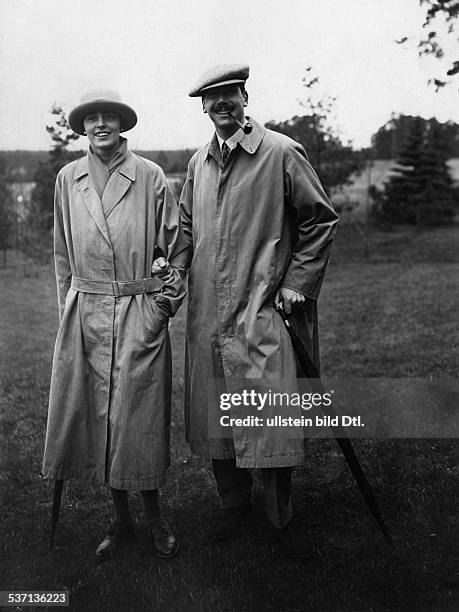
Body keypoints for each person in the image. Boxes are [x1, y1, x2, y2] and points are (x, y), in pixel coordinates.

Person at [179, 64, 339, 559]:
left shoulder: (281, 152)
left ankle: (276, 513)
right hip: (209, 311)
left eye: (230, 94)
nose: (222, 103)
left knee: (269, 414)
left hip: (262, 307)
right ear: (202, 107)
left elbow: (319, 219)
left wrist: (297, 283)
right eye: (212, 97)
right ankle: (232, 508)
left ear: (245, 96)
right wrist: (171, 272)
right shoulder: (197, 164)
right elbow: (185, 228)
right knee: (218, 413)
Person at [42, 90, 186, 562]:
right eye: (91, 118)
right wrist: (69, 309)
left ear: (122, 124)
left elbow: (177, 248)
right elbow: (62, 251)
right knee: (98, 419)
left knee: (137, 422)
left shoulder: (149, 176)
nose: (100, 124)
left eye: (109, 117)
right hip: (86, 314)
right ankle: (120, 520)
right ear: (82, 126)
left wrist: (163, 304)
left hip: (137, 311)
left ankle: (155, 518)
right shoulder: (68, 178)